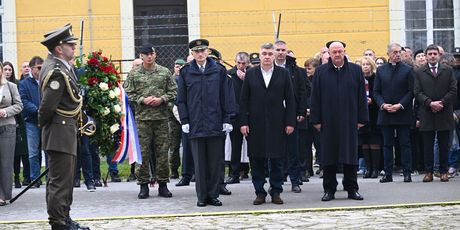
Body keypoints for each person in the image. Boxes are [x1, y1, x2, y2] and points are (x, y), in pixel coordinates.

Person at [38, 24, 89, 229]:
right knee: (60, 183)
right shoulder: (56, 72)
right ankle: (58, 223)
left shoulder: (62, 67)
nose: (74, 48)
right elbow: (46, 107)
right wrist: (45, 127)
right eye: (70, 45)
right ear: (59, 48)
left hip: (65, 131)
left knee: (65, 182)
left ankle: (65, 218)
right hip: (59, 132)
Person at [177, 39, 236, 207]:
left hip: (215, 122)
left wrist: (227, 119)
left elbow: (226, 96)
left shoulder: (218, 70)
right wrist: (185, 120)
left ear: (208, 51)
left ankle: (214, 195)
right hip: (195, 124)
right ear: (192, 54)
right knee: (200, 164)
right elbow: (181, 100)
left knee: (215, 163)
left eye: (203, 50)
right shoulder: (186, 72)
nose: (200, 54)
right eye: (196, 51)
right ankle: (202, 197)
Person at [310, 41, 368, 202]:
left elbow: (361, 97)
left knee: (350, 156)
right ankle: (329, 189)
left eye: (339, 51)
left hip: (350, 120)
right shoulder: (321, 72)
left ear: (344, 52)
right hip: (327, 122)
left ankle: (352, 188)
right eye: (333, 52)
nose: (336, 54)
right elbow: (315, 97)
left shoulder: (355, 71)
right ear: (329, 53)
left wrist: (362, 119)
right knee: (329, 157)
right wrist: (316, 120)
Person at [240, 42, 296, 205]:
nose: (267, 57)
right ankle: (260, 192)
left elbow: (290, 100)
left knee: (277, 159)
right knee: (256, 159)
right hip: (255, 124)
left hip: (277, 123)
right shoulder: (251, 74)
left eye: (270, 54)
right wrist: (243, 122)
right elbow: (243, 100)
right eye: (264, 53)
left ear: (274, 56)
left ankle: (276, 191)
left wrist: (290, 122)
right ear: (259, 55)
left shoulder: (283, 73)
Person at [124, 44, 177, 199]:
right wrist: (142, 99)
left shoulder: (164, 72)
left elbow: (173, 91)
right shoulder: (134, 74)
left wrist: (162, 99)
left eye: (151, 53)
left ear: (155, 55)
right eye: (145, 54)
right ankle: (143, 185)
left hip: (161, 118)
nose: (149, 56)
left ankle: (163, 184)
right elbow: (128, 93)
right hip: (143, 120)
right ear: (141, 56)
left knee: (162, 153)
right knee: (143, 154)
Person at [414, 44, 457, 182]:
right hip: (427, 112)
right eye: (430, 54)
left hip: (444, 112)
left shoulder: (448, 70)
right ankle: (429, 172)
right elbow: (417, 92)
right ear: (426, 56)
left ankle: (443, 171)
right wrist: (429, 103)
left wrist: (442, 103)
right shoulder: (420, 72)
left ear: (439, 55)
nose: (432, 56)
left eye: (435, 54)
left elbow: (453, 90)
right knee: (427, 144)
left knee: (444, 144)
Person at [373, 42, 414, 183]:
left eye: (399, 52)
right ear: (388, 54)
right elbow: (376, 92)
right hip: (386, 112)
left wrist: (400, 105)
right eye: (395, 52)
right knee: (387, 144)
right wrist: (383, 105)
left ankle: (407, 172)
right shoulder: (381, 70)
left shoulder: (408, 70)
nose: (397, 55)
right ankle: (388, 173)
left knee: (405, 143)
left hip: (402, 111)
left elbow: (411, 91)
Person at [273, 40, 308, 193]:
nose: (281, 52)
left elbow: (302, 92)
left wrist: (301, 112)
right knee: (275, 149)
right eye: (278, 50)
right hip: (273, 115)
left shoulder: (296, 70)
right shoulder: (267, 68)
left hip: (291, 114)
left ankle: (295, 180)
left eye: (283, 50)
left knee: (293, 149)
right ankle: (277, 180)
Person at [19, 56, 46, 188]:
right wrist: (38, 110)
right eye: (39, 68)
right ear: (31, 68)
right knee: (33, 152)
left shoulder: (46, 81)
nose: (41, 70)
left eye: (43, 67)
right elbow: (23, 101)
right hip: (31, 121)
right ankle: (35, 179)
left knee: (47, 150)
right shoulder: (24, 84)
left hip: (47, 121)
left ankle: (50, 178)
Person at [0, 61, 24, 206]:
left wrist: (5, 111)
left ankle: (3, 195)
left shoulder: (11, 86)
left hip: (7, 127)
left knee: (6, 162)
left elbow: (19, 105)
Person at [4, 62, 30, 188]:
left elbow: (19, 104)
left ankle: (19, 177)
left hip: (16, 122)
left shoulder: (16, 85)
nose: (7, 71)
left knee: (19, 152)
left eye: (9, 69)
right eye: (5, 69)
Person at [226, 52, 250, 184]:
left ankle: (257, 171)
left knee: (254, 146)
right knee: (235, 147)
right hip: (235, 115)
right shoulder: (229, 74)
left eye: (244, 63)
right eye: (239, 63)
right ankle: (234, 173)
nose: (241, 66)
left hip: (250, 115)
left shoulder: (253, 73)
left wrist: (246, 78)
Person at [359, 56, 381, 178]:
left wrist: (372, 100)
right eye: (363, 64)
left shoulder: (376, 78)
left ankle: (375, 169)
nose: (366, 66)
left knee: (374, 141)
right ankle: (368, 168)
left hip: (374, 112)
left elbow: (378, 92)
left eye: (368, 64)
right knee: (365, 142)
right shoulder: (359, 79)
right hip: (362, 113)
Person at [299, 58, 320, 181]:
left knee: (319, 143)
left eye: (309, 68)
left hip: (316, 115)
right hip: (305, 115)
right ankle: (307, 168)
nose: (307, 71)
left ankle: (322, 167)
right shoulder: (303, 80)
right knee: (305, 144)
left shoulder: (319, 80)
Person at [169, 59, 185, 179]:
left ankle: (188, 169)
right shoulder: (170, 81)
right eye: (177, 66)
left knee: (188, 146)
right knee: (174, 146)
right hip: (173, 119)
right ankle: (174, 169)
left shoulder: (186, 79)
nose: (178, 68)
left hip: (185, 118)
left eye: (181, 66)